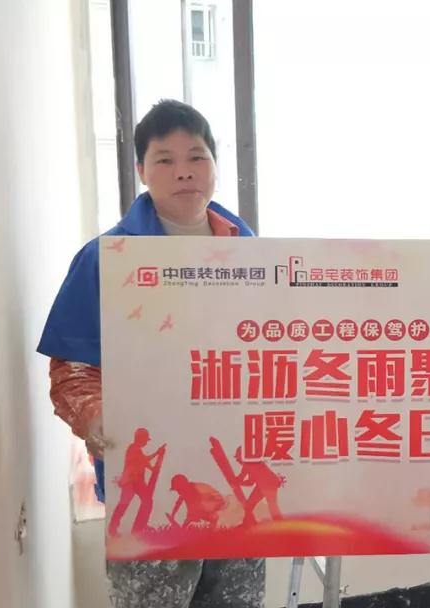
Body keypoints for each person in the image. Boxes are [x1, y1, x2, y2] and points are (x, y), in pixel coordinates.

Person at [38, 99, 265, 608]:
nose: (184, 171)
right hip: (150, 492)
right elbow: (73, 370)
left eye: (197, 157)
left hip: (237, 478)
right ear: (141, 170)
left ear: (215, 165)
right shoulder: (107, 259)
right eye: (165, 160)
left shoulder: (252, 255)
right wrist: (97, 419)